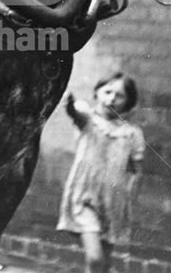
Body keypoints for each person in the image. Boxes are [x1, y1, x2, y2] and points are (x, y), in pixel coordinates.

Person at [56, 72, 145, 273]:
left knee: (104, 263)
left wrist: (129, 201)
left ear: (128, 102)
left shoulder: (132, 134)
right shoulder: (88, 120)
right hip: (85, 196)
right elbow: (74, 113)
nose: (111, 99)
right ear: (97, 92)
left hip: (113, 202)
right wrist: (69, 103)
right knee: (95, 258)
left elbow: (136, 172)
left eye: (119, 95)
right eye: (107, 92)